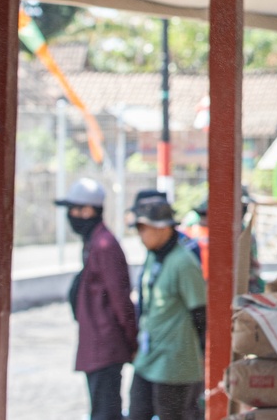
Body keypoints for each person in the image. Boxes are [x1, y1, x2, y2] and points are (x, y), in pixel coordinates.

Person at [55, 178, 137, 420]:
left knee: (105, 412)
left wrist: (131, 341)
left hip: (105, 346)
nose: (71, 216)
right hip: (97, 344)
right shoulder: (94, 243)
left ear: (88, 211)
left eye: (74, 210)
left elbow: (120, 299)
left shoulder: (104, 245)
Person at [127, 196, 207, 420]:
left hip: (174, 362)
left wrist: (200, 354)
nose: (141, 235)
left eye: (144, 228)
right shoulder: (154, 256)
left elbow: (200, 313)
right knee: (137, 412)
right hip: (148, 355)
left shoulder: (184, 262)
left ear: (162, 229)